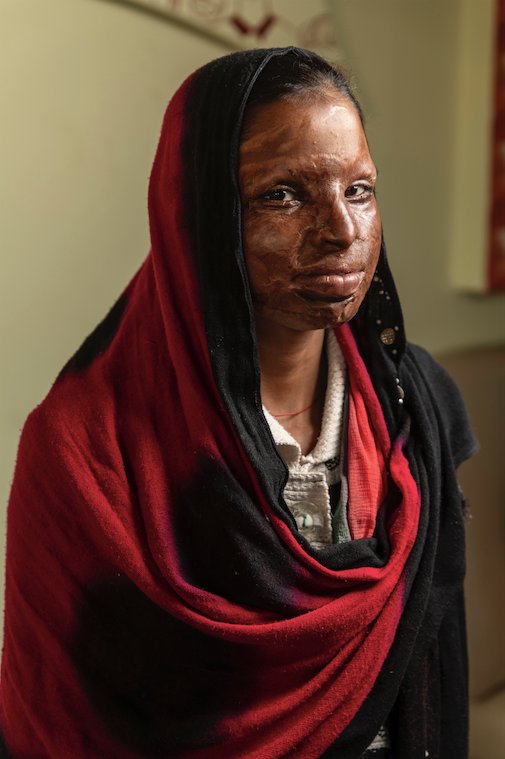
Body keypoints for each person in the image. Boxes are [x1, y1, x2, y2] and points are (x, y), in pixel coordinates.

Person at [0, 47, 477, 758]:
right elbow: (62, 723)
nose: (341, 231)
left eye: (359, 190)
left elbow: (431, 672)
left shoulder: (413, 404)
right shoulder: (87, 452)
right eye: (283, 195)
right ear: (195, 213)